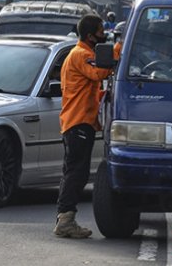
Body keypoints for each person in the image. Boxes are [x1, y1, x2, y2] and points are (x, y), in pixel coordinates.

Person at [54, 14, 113, 239]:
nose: (103, 35)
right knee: (76, 174)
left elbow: (88, 87)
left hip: (79, 121)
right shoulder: (82, 55)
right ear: (90, 36)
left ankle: (64, 219)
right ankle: (66, 221)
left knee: (73, 172)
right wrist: (118, 50)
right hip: (77, 122)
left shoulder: (80, 54)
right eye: (100, 32)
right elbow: (99, 72)